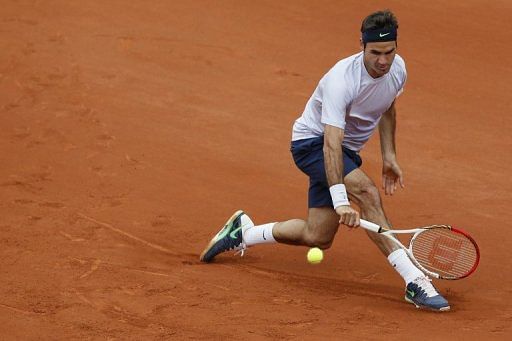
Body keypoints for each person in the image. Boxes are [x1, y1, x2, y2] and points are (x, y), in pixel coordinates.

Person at [199, 10, 449, 311]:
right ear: (361, 46)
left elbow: (387, 108)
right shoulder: (341, 81)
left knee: (317, 236)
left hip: (344, 152)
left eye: (389, 52)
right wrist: (341, 199)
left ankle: (244, 232)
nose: (383, 61)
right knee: (367, 192)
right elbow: (331, 144)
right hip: (311, 144)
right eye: (375, 53)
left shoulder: (398, 70)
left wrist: (389, 156)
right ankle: (414, 280)